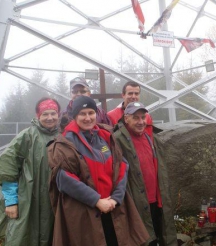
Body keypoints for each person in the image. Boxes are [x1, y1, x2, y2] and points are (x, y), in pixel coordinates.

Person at [47, 96, 149, 246]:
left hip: (113, 208)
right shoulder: (65, 143)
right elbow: (64, 179)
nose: (88, 118)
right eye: (82, 114)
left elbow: (121, 165)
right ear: (74, 116)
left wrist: (116, 198)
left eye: (91, 113)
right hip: (84, 213)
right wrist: (96, 201)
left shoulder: (105, 136)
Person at [113, 102, 177, 246]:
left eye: (143, 117)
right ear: (126, 118)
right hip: (136, 201)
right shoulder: (117, 139)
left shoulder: (150, 136)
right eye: (136, 118)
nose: (141, 122)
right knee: (143, 239)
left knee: (158, 235)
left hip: (155, 199)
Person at [0, 97, 60, 245]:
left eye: (53, 113)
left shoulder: (64, 136)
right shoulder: (27, 136)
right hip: (28, 200)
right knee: (24, 236)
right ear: (37, 116)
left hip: (57, 200)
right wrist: (11, 201)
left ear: (58, 115)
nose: (50, 117)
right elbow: (8, 166)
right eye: (45, 114)